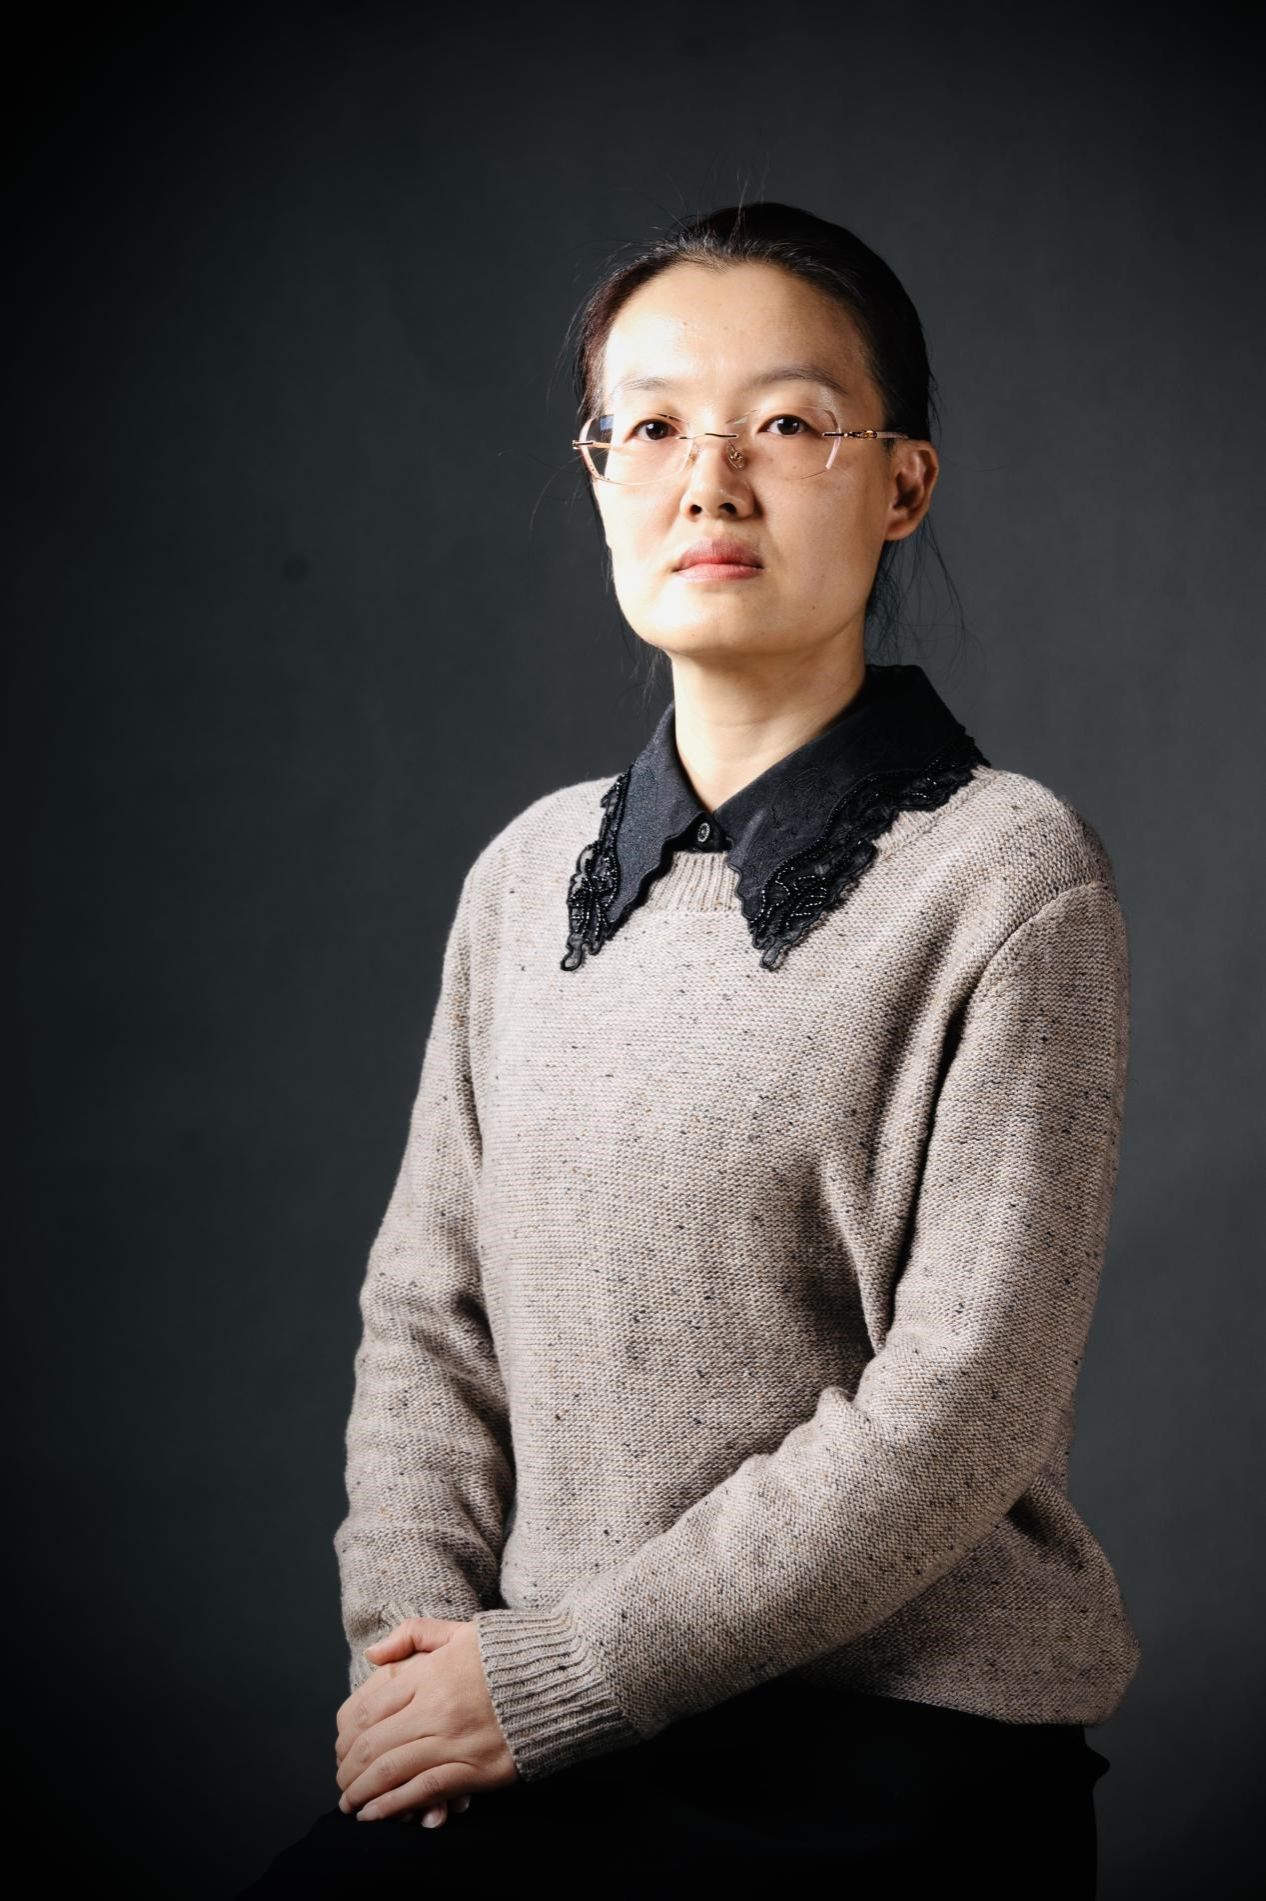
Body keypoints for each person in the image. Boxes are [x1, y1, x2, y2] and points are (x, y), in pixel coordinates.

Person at [236, 200, 1134, 1897]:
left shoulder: (1005, 873)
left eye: (785, 424)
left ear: (900, 485)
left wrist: (555, 1678)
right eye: (647, 428)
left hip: (879, 1758)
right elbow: (427, 1318)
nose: (707, 483)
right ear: (596, 476)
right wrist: (419, 1655)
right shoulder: (524, 879)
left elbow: (960, 1404)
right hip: (524, 1723)